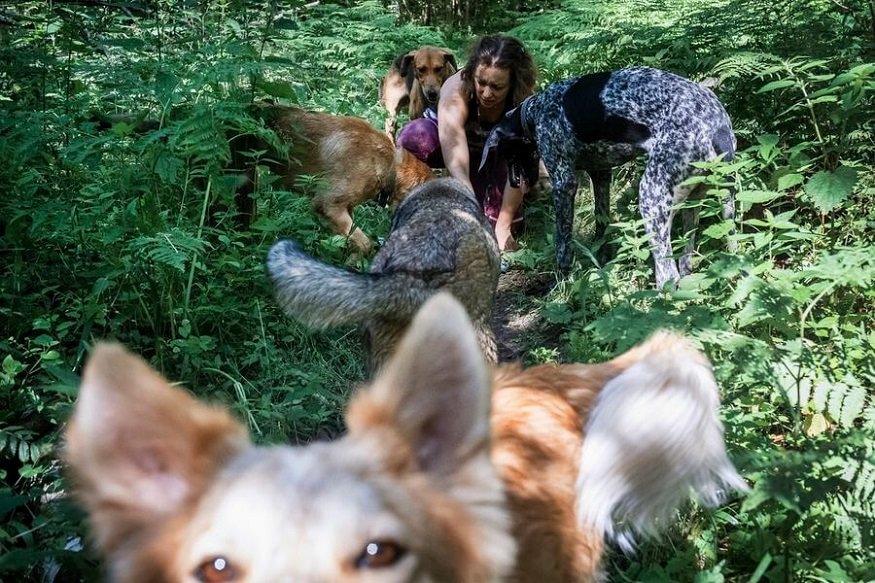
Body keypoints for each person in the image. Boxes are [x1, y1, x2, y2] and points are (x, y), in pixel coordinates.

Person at [396, 35, 537, 251]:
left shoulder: (525, 103)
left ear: (513, 83)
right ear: (472, 74)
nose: (487, 93)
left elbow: (521, 165)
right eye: (481, 83)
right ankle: (422, 201)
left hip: (498, 152)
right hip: (453, 145)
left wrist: (503, 225)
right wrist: (467, 203)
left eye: (497, 87)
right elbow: (455, 155)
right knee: (413, 135)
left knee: (495, 224)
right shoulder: (455, 90)